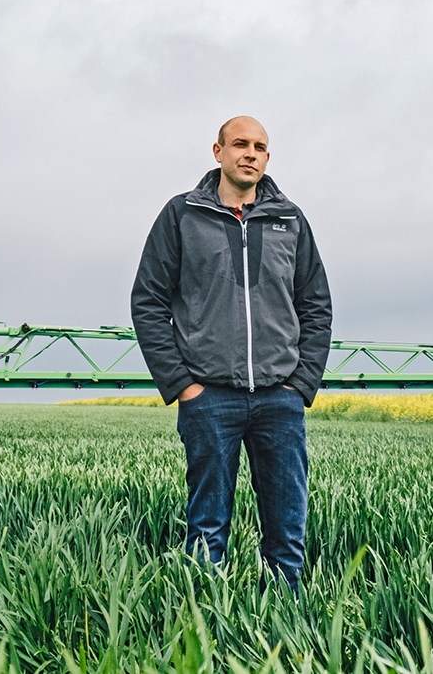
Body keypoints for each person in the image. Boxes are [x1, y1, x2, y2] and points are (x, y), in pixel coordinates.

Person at [131, 116, 332, 592]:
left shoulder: (290, 219)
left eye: (260, 147)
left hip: (279, 401)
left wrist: (300, 384)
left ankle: (285, 625)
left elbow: (316, 305)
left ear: (267, 157)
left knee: (286, 529)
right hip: (209, 399)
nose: (250, 153)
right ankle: (204, 624)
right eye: (240, 144)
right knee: (206, 528)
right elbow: (148, 302)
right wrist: (184, 386)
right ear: (217, 151)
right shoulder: (182, 215)